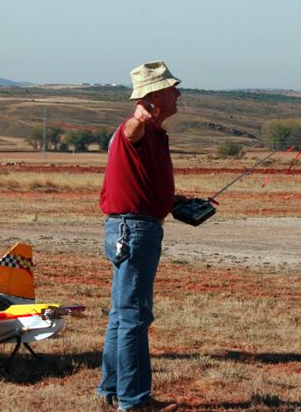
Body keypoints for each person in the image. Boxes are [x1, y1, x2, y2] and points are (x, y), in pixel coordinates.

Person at [97, 60, 184, 411]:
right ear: (153, 97)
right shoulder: (137, 129)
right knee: (134, 316)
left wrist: (178, 202)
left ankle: (111, 390)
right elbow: (130, 130)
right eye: (171, 88)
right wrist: (139, 117)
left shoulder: (157, 134)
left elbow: (144, 183)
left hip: (133, 227)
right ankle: (134, 401)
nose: (178, 93)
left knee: (123, 315)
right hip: (133, 230)